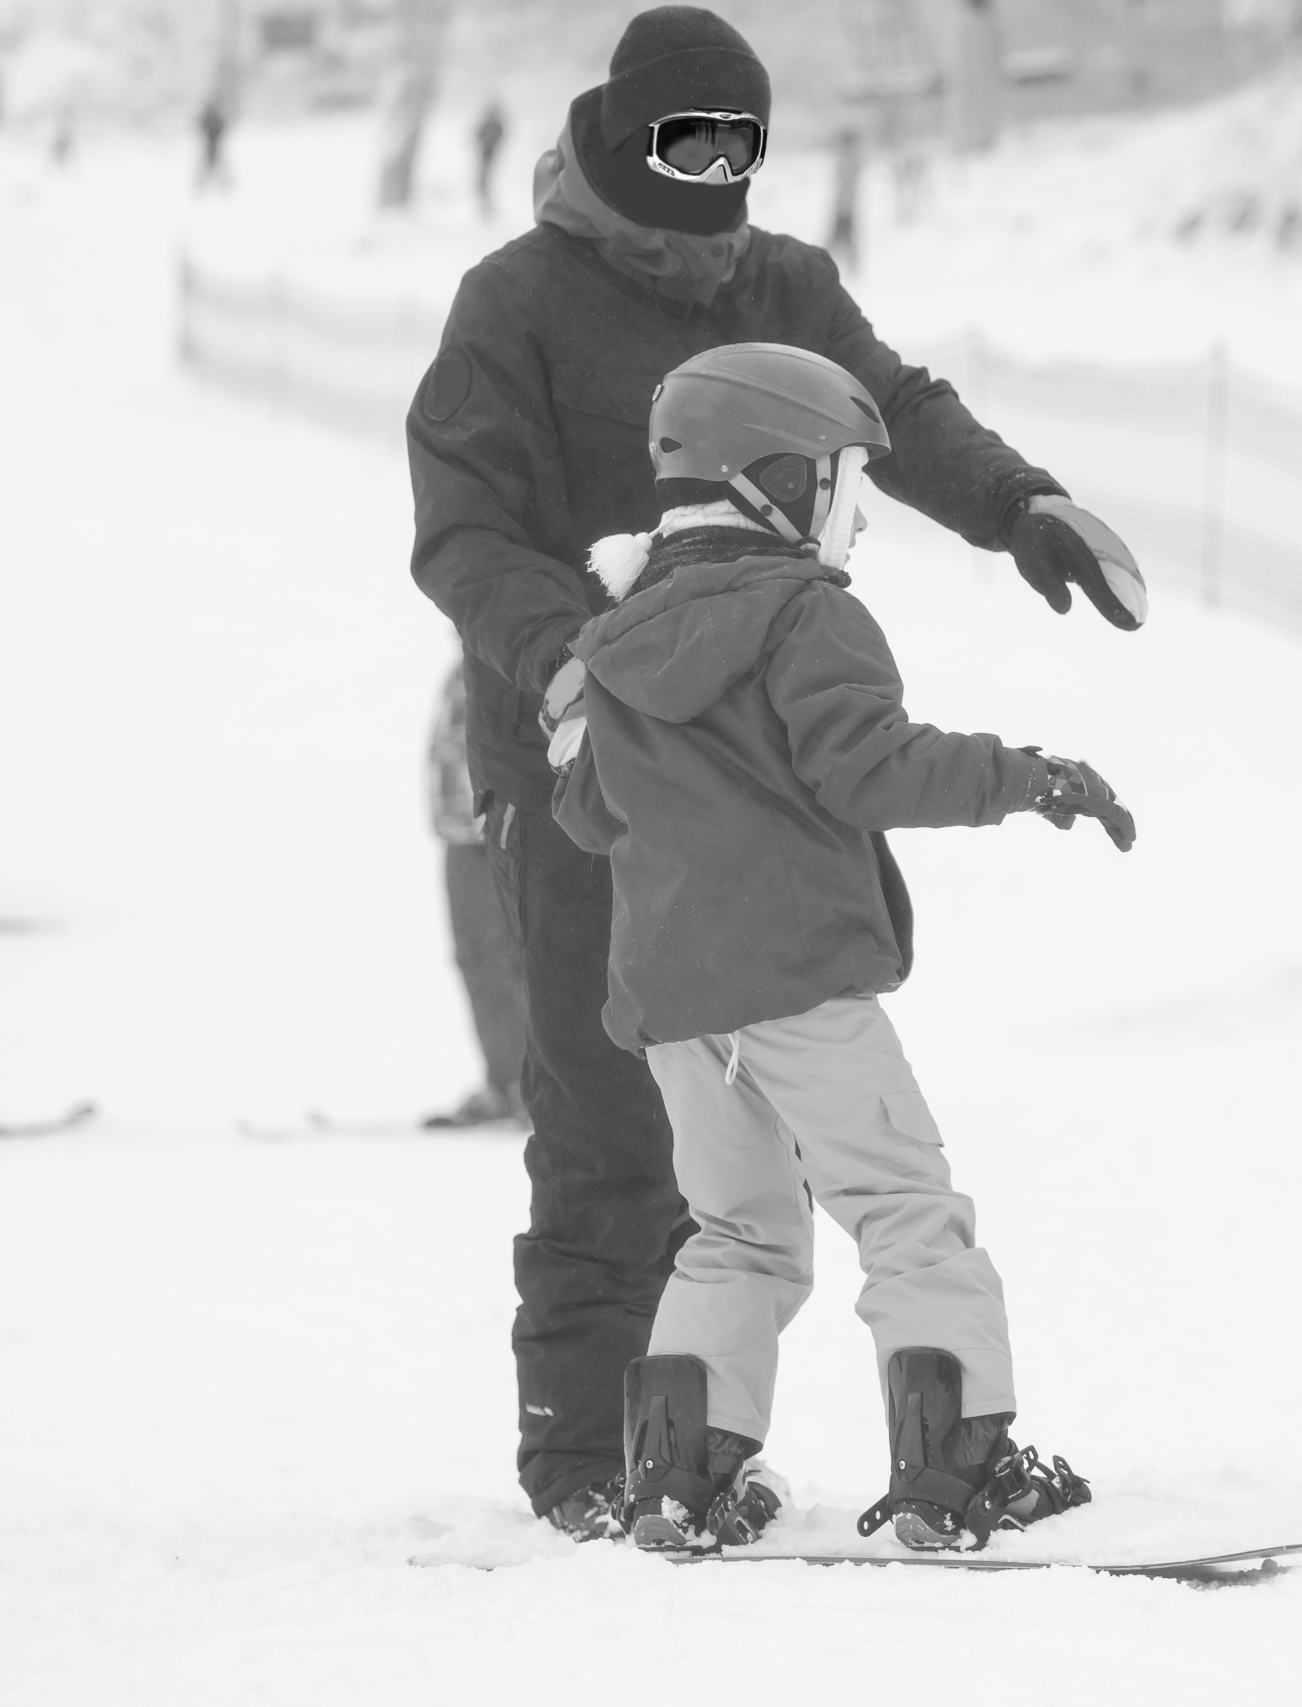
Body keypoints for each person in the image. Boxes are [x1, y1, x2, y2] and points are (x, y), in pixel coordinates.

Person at [405, 4, 1148, 1541]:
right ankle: (587, 1457)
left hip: (760, 781)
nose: (718, 175)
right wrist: (565, 668)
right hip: (580, 762)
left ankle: (682, 1453)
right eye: (688, 142)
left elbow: (892, 411)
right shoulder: (518, 302)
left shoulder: (784, 282)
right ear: (624, 137)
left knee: (737, 1169)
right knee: (604, 1120)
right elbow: (464, 528)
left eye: (742, 143)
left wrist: (1021, 505)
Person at [552, 344, 1121, 1553]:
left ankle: (678, 1479)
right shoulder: (805, 612)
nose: (855, 520)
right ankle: (957, 1469)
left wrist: (589, 746)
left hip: (675, 1006)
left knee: (737, 1231)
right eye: (844, 486)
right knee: (905, 1208)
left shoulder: (616, 642)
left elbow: (589, 812)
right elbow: (870, 766)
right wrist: (1029, 777)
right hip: (799, 979)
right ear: (776, 483)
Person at [424, 655, 529, 1128]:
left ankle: (530, 1088)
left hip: (501, 831)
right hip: (458, 832)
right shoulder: (463, 663)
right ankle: (504, 1082)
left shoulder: (509, 657)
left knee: (517, 960)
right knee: (478, 959)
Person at [826, 127, 862, 273]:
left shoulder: (850, 161)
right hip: (843, 205)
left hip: (846, 207)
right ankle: (843, 264)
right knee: (841, 236)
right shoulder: (849, 160)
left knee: (844, 236)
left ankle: (850, 265)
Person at [473, 96, 506, 219]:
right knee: (482, 181)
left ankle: (487, 206)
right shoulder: (490, 123)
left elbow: (500, 135)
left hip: (490, 155)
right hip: (485, 154)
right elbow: (477, 135)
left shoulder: (494, 124)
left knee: (485, 181)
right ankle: (485, 206)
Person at [196, 93, 230, 191]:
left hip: (215, 142)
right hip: (209, 142)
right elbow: (202, 125)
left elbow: (222, 125)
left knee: (218, 162)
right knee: (207, 162)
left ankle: (222, 184)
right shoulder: (209, 115)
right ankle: (204, 183)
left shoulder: (215, 115)